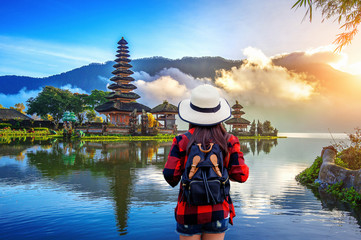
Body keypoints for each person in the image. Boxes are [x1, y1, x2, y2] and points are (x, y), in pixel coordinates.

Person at [163, 84, 249, 240]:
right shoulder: (229, 141)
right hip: (218, 210)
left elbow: (170, 176)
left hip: (188, 211)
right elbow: (241, 175)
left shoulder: (181, 141)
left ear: (191, 114)